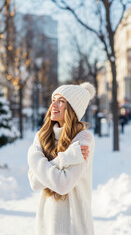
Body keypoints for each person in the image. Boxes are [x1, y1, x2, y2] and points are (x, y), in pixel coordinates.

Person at [27, 82, 96, 235]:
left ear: (72, 109)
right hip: (48, 223)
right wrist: (65, 158)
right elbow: (35, 183)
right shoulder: (42, 137)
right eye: (53, 100)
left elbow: (63, 184)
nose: (54, 105)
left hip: (75, 224)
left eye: (61, 101)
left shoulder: (84, 139)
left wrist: (36, 160)